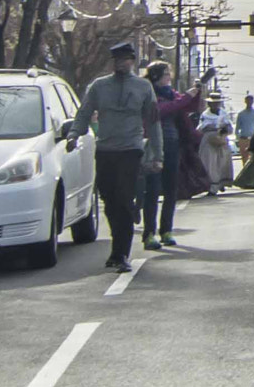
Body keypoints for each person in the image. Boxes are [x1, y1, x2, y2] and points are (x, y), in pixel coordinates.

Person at [63, 41, 162, 272]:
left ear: (132, 61)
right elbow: (84, 112)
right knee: (109, 201)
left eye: (127, 59)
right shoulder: (99, 86)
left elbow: (154, 123)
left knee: (123, 199)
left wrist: (158, 155)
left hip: (131, 149)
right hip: (106, 149)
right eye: (118, 60)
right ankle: (122, 232)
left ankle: (120, 254)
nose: (122, 64)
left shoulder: (143, 87)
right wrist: (74, 135)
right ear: (114, 62)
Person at [137, 62, 207, 249]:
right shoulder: (149, 94)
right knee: (152, 191)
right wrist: (185, 97)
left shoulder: (172, 94)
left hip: (173, 145)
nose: (168, 77)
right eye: (166, 74)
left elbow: (189, 106)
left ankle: (166, 230)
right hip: (153, 146)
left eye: (169, 73)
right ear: (156, 76)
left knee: (171, 190)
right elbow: (163, 110)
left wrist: (197, 91)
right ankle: (149, 233)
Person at [195, 96, 237, 194]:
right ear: (209, 104)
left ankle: (221, 183)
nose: (215, 105)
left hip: (221, 140)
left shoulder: (224, 114)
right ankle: (212, 186)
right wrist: (211, 128)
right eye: (213, 103)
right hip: (209, 141)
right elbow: (200, 128)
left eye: (217, 103)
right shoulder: (205, 115)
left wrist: (224, 130)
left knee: (222, 162)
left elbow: (229, 127)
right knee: (210, 163)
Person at [234, 92, 254, 163]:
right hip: (243, 139)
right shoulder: (241, 114)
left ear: (253, 101)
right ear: (245, 101)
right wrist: (237, 139)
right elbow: (237, 128)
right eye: (247, 100)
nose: (249, 102)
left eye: (251, 100)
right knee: (244, 159)